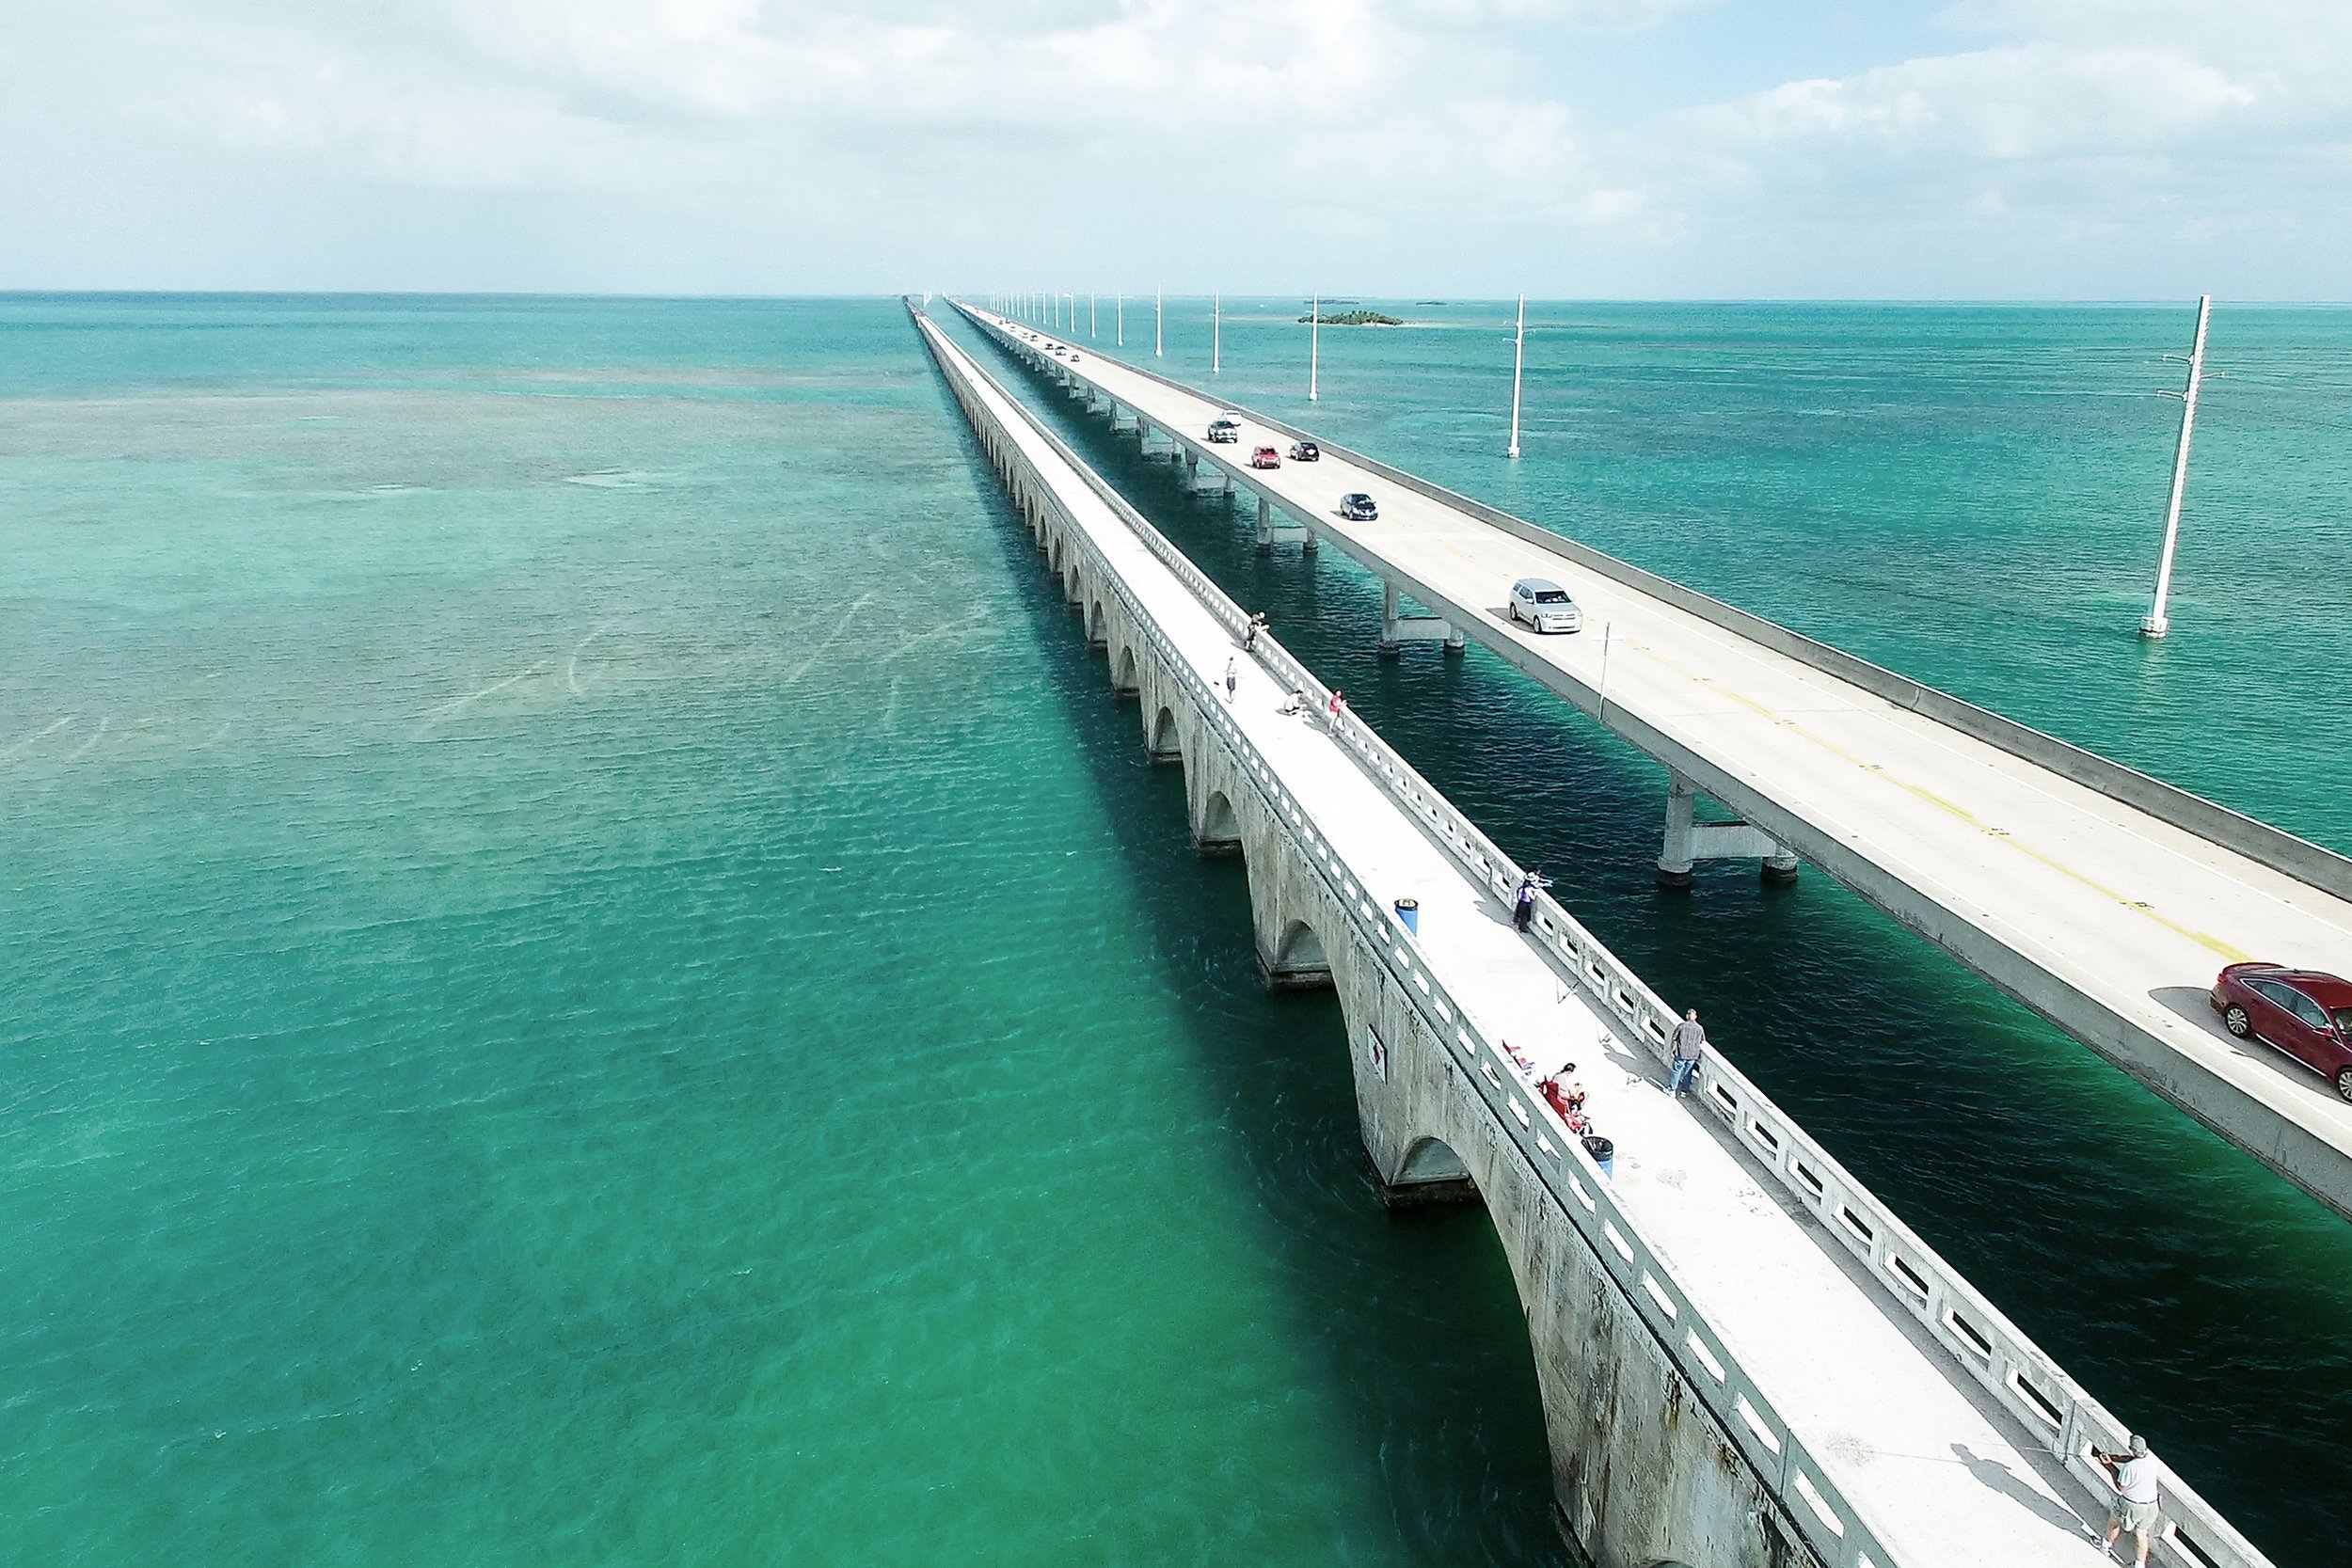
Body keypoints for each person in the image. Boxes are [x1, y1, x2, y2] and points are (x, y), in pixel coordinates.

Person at [2097, 1435, 2161, 1567]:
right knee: (2141, 1534)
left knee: (2115, 1521)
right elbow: (2133, 1458)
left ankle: (2105, 1546)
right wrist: (2114, 1457)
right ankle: (2139, 1565)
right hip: (2152, 1505)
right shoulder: (2152, 1460)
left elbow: (2121, 1488)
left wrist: (2110, 1466)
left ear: (2131, 1449)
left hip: (2133, 1505)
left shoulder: (2130, 1468)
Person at [1669, 1008, 1705, 1098]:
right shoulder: (1700, 1028)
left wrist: (1672, 1050)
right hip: (1693, 1055)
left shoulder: (1681, 1026)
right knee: (1688, 1072)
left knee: (1677, 1071)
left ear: (1687, 1016)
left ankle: (1672, 1090)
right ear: (1695, 1017)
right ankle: (1683, 1091)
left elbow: (1674, 1038)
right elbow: (1702, 1040)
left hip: (1681, 1052)